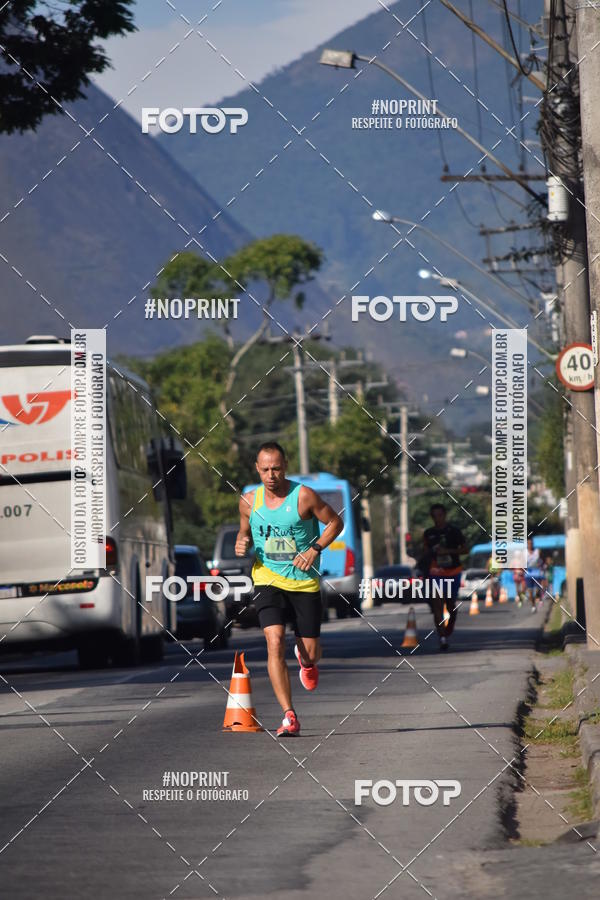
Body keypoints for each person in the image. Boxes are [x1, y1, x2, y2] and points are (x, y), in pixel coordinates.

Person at [235, 442, 343, 737]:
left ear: (286, 467)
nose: (272, 475)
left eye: (277, 469)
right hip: (267, 579)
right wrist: (241, 541)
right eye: (266, 469)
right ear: (257, 469)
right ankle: (289, 715)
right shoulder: (248, 501)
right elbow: (245, 530)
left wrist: (315, 548)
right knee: (274, 641)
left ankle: (306, 662)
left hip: (303, 581)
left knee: (310, 653)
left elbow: (335, 521)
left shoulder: (303, 496)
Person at [422, 504, 468, 651]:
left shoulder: (454, 531)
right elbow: (425, 552)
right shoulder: (428, 533)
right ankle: (442, 637)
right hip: (436, 572)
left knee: (450, 606)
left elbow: (465, 549)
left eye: (440, 515)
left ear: (445, 515)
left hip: (453, 572)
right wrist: (432, 552)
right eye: (434, 516)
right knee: (437, 605)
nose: (437, 519)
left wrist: (448, 551)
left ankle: (450, 625)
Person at [524, 537, 543, 611]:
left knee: (538, 590)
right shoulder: (525, 553)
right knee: (530, 592)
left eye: (531, 543)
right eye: (528, 543)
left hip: (537, 573)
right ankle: (533, 606)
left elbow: (541, 561)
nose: (530, 545)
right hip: (528, 574)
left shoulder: (537, 551)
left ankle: (538, 598)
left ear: (533, 544)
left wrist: (540, 564)